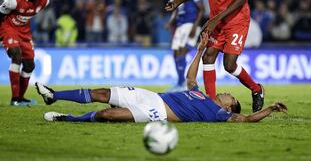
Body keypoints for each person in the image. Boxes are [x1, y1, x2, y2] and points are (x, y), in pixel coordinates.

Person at [35, 32, 287, 123]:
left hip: (156, 112)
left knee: (106, 115)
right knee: (102, 93)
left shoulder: (219, 114)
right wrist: (199, 51)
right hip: (151, 95)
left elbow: (247, 119)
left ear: (229, 105)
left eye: (229, 96)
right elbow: (191, 79)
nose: (224, 93)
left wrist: (270, 109)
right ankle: (53, 95)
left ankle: (67, 118)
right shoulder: (201, 95)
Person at [165, 0, 264, 112]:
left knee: (229, 65)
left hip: (236, 21)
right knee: (208, 56)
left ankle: (256, 89)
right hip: (217, 20)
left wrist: (214, 19)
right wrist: (179, 0)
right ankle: (211, 104)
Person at [0, 0, 50, 106]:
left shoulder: (45, 0)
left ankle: (21, 98)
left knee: (29, 65)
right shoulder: (13, 0)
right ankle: (14, 99)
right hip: (8, 28)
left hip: (24, 32)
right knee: (16, 55)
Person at [165, 0, 205, 91]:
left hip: (190, 24)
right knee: (175, 53)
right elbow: (176, 10)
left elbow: (201, 9)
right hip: (180, 25)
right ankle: (180, 82)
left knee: (182, 52)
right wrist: (171, 21)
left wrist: (195, 26)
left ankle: (182, 84)